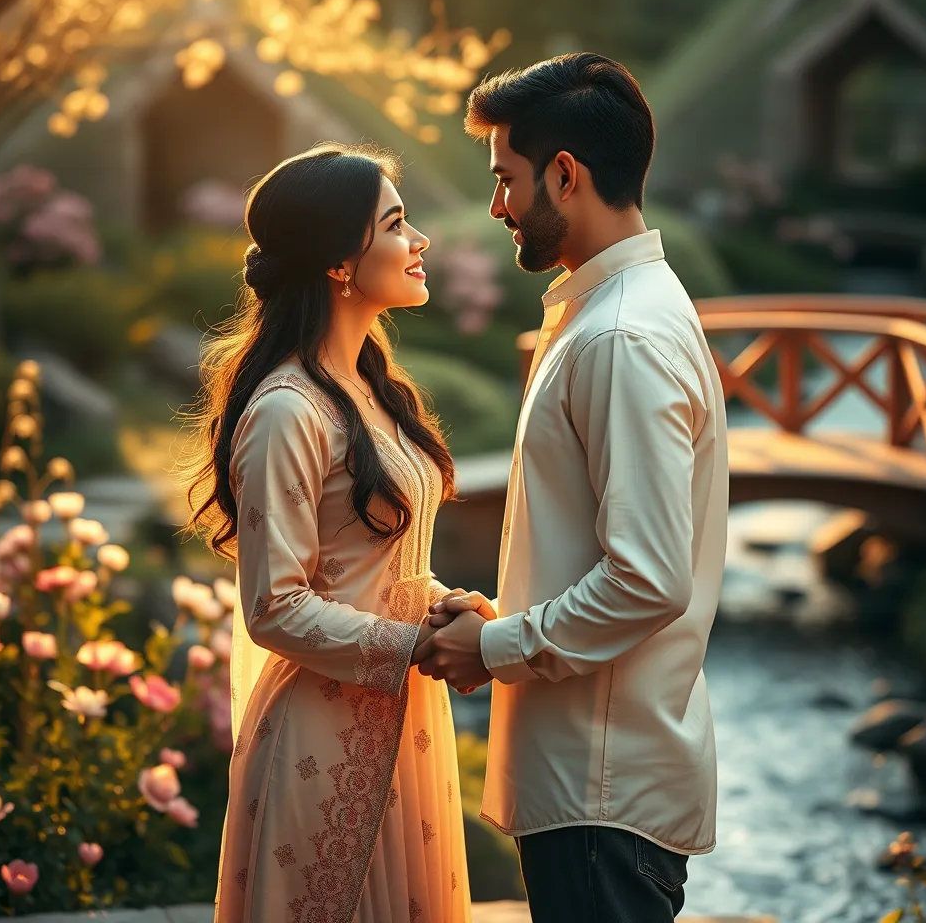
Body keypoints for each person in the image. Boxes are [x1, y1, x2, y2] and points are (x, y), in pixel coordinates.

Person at [416, 52, 729, 922]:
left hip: (603, 787)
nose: (496, 207)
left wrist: (494, 648)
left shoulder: (621, 337)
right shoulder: (619, 312)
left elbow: (648, 578)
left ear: (565, 173)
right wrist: (497, 620)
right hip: (599, 780)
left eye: (506, 179)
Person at [182, 143, 480, 923]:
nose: (419, 242)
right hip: (323, 736)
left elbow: (374, 563)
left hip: (403, 717)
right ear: (340, 263)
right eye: (396, 224)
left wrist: (445, 606)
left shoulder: (369, 387)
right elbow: (274, 607)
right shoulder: (286, 411)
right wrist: (415, 646)